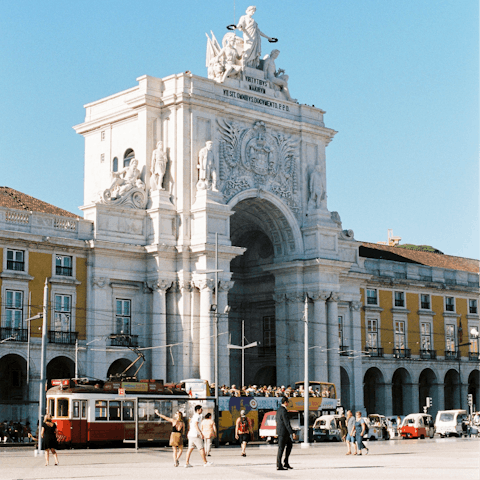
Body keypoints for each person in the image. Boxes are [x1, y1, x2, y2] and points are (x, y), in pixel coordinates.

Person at [276, 396, 296, 470]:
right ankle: (279, 465)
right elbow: (286, 422)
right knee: (281, 448)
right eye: (288, 402)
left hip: (282, 432)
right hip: (283, 432)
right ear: (285, 402)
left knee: (289, 445)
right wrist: (292, 432)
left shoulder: (278, 410)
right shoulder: (283, 410)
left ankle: (286, 462)